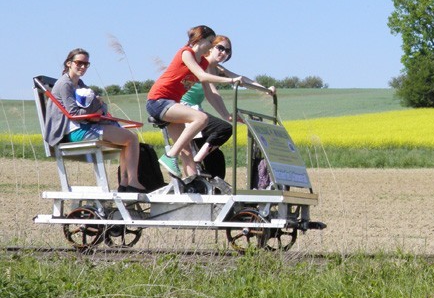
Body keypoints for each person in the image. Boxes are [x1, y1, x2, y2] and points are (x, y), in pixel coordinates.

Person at [146, 25, 243, 177]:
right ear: (200, 39)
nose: (211, 45)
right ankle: (170, 156)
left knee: (187, 151)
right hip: (159, 101)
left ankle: (193, 185)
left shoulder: (203, 63)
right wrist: (230, 80)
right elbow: (202, 76)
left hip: (172, 104)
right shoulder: (186, 53)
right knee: (201, 118)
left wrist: (226, 115)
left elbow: (210, 93)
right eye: (210, 41)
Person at [44, 48, 145, 193]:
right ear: (68, 63)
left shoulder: (80, 83)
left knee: (127, 139)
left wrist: (98, 110)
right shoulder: (65, 84)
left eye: (86, 64)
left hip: (83, 126)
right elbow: (73, 113)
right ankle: (133, 182)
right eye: (79, 63)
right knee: (131, 139)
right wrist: (96, 111)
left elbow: (101, 103)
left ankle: (125, 183)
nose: (83, 67)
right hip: (72, 132)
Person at [180, 35, 275, 175]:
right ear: (211, 47)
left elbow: (241, 79)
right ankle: (196, 162)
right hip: (183, 108)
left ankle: (214, 190)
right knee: (223, 129)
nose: (224, 53)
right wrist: (226, 116)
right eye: (220, 48)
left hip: (195, 110)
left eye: (227, 51)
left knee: (216, 157)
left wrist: (266, 89)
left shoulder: (217, 69)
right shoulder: (202, 65)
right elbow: (211, 93)